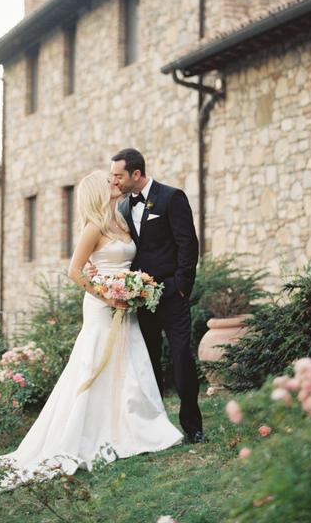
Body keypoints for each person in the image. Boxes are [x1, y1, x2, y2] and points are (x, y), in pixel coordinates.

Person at [0, 170, 182, 490]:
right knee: (95, 364)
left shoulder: (122, 221)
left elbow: (119, 263)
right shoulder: (94, 227)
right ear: (96, 193)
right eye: (108, 181)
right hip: (102, 307)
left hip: (124, 304)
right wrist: (109, 295)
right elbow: (74, 271)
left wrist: (133, 288)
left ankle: (132, 428)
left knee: (127, 365)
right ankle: (87, 434)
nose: (114, 183)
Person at [110, 148, 204, 443]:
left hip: (171, 294)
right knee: (147, 362)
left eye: (119, 175)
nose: (115, 181)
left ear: (136, 174)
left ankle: (193, 426)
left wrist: (180, 286)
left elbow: (188, 243)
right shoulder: (124, 207)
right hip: (141, 299)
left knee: (180, 358)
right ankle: (156, 430)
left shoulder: (171, 197)